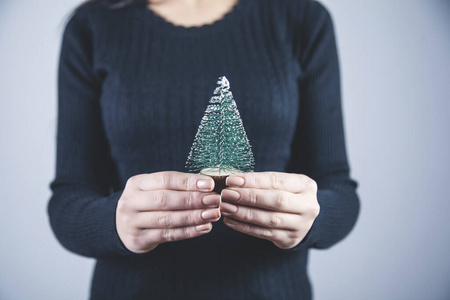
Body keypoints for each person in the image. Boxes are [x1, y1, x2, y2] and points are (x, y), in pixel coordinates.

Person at [47, 0, 360, 299]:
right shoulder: (92, 25)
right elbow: (67, 202)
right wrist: (114, 222)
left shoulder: (303, 19)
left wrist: (311, 218)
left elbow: (340, 192)